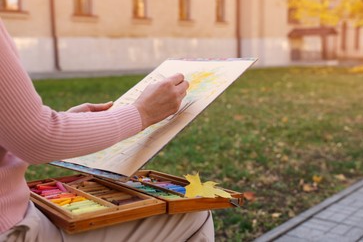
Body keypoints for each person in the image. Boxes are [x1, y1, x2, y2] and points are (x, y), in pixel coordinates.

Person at [0, 18, 214, 242]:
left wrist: (67, 121)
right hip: (13, 228)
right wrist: (142, 113)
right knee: (193, 216)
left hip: (19, 212)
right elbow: (37, 139)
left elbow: (17, 134)